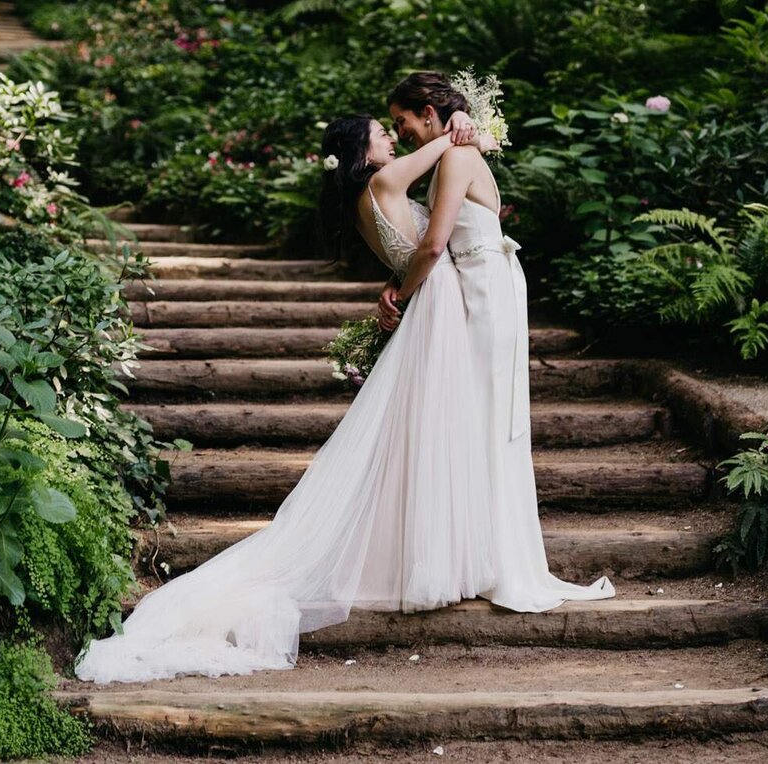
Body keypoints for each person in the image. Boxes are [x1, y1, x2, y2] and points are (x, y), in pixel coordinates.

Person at [74, 111, 499, 682]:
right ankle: (431, 559)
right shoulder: (382, 181)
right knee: (423, 429)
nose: (391, 138)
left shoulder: (367, 195)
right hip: (434, 301)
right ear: (359, 151)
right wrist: (461, 127)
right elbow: (442, 171)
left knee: (419, 429)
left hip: (429, 302)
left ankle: (428, 555)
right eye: (381, 132)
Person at [383, 71, 615, 612]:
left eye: (404, 122)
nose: (402, 132)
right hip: (480, 283)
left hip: (486, 287)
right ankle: (477, 550)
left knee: (488, 412)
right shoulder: (451, 153)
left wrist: (401, 290)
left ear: (429, 113)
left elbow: (435, 244)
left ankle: (498, 556)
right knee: (476, 414)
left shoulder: (458, 158)